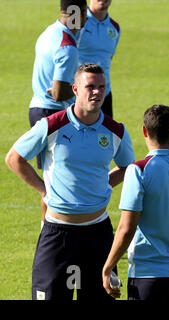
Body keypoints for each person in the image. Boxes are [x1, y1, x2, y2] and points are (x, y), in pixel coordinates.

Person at [5, 63, 135, 300]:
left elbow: (127, 167)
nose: (97, 92)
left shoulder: (116, 131)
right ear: (75, 89)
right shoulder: (51, 125)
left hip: (98, 234)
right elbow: (14, 159)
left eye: (101, 87)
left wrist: (103, 185)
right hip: (57, 234)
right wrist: (44, 190)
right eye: (90, 87)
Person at [102, 105, 169, 301]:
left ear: (144, 131)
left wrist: (108, 267)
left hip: (147, 276)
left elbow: (126, 228)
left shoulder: (138, 170)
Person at [29, 0, 88, 170]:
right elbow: (58, 93)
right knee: (61, 176)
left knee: (50, 178)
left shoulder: (48, 33)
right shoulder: (67, 46)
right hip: (54, 112)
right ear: (81, 14)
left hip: (38, 108)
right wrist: (82, 90)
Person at [78, 0, 121, 118]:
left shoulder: (115, 28)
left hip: (104, 94)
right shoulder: (78, 21)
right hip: (80, 93)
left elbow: (108, 58)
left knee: (105, 134)